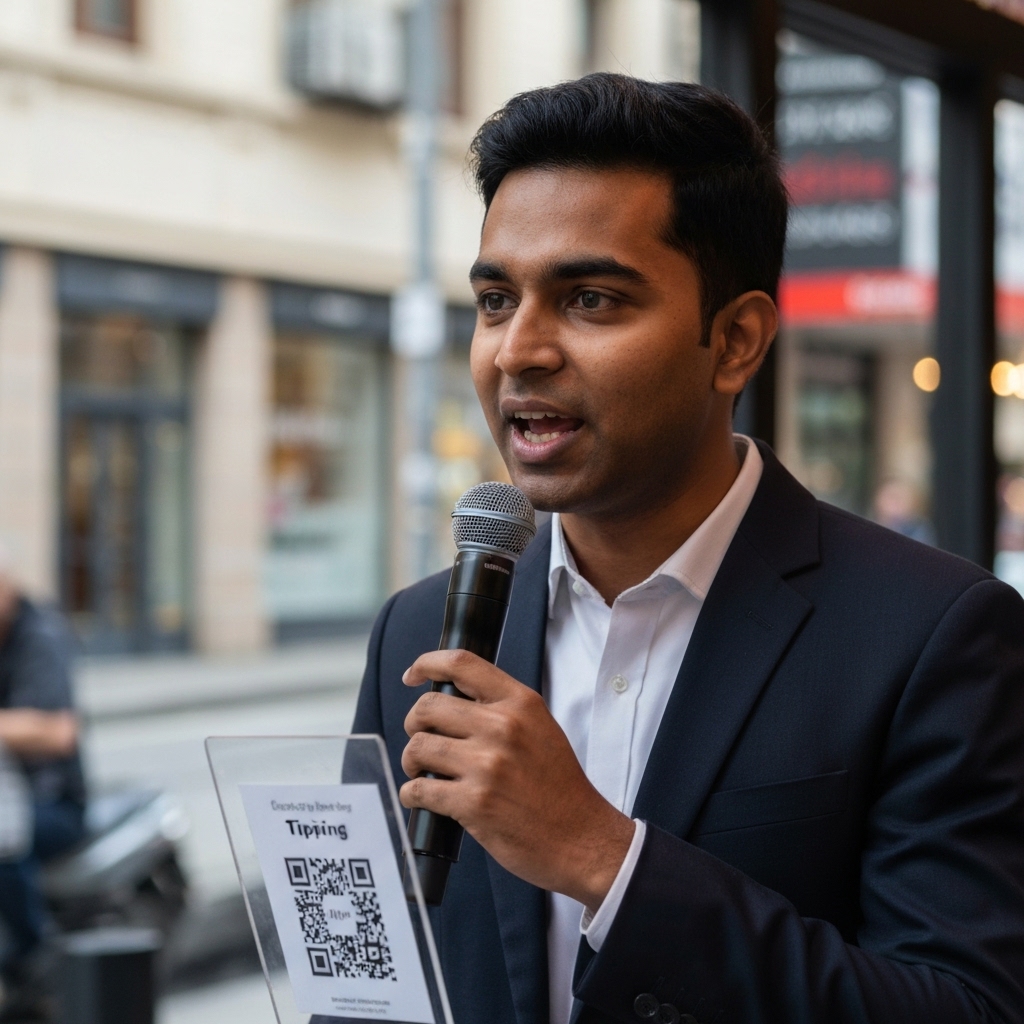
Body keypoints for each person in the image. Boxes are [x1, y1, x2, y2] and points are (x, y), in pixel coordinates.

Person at [351, 75, 1024, 1024]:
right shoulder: (418, 632)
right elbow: (368, 986)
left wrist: (603, 858)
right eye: (497, 300)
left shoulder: (931, 635)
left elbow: (969, 1008)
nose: (517, 351)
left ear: (736, 341)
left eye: (589, 299)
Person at [0, 551, 86, 1022]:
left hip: (52, 801)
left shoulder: (41, 637)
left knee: (4, 836)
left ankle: (34, 956)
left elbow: (60, 732)